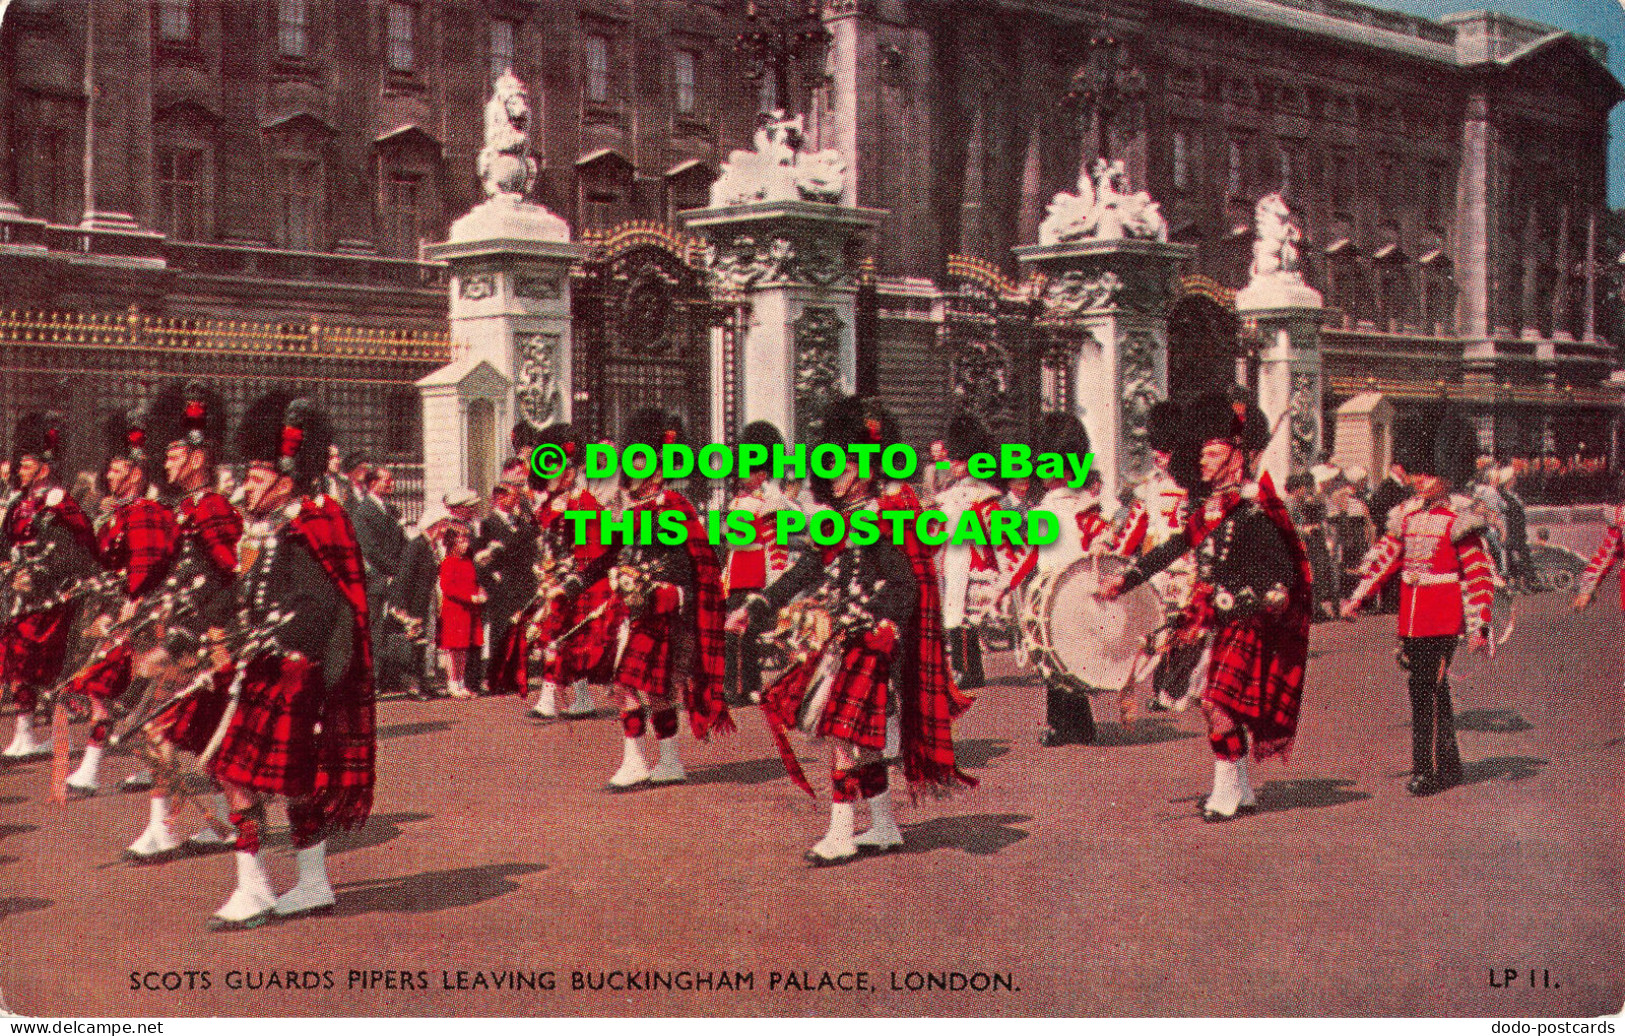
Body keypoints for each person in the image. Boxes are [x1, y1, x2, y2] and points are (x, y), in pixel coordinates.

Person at [729, 395, 976, 864]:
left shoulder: (883, 514)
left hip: (872, 637)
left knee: (843, 734)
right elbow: (804, 571)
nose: (840, 476)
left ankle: (841, 833)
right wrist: (758, 605)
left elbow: (905, 583)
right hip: (843, 636)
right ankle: (883, 826)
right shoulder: (839, 520)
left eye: (849, 466)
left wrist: (885, 626)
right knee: (860, 739)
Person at [204, 393, 375, 930]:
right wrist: (211, 627)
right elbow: (244, 591)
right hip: (265, 665)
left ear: (285, 477)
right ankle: (312, 882)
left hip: (297, 668)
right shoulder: (266, 525)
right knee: (288, 778)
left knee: (238, 769)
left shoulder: (317, 519)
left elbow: (321, 602)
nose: (245, 486)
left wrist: (269, 640)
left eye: (257, 476)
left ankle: (255, 887)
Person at [1101, 393, 1312, 822]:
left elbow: (1283, 577)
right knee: (1209, 704)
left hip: (1245, 618)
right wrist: (1127, 579)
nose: (1202, 460)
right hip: (1209, 614)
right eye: (1202, 451)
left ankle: (1225, 791)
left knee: (1217, 701)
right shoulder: (1210, 508)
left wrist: (1249, 599)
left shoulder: (1258, 508)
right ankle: (1239, 787)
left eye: (1213, 453)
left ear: (1236, 458)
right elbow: (1176, 546)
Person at [558, 408, 730, 790]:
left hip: (666, 612)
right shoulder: (630, 511)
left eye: (642, 463)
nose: (634, 470)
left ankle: (645, 761)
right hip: (634, 610)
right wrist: (573, 583)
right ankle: (663, 761)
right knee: (641, 688)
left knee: (637, 687)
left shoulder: (676, 507)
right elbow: (606, 556)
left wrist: (667, 590)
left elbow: (698, 564)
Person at [1342, 405, 1495, 797]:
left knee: (1425, 689)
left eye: (1428, 472)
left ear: (1447, 474)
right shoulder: (1405, 515)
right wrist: (1358, 597)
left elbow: (1477, 576)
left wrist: (1479, 626)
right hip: (1412, 618)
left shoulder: (1460, 517)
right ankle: (1450, 762)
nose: (1420, 480)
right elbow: (1384, 559)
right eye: (1418, 471)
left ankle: (1425, 769)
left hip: (1444, 617)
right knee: (1429, 690)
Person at [123, 381, 241, 860]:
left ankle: (165, 827)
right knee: (203, 736)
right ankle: (214, 822)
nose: (165, 462)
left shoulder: (210, 507)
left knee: (163, 729)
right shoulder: (189, 507)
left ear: (196, 457)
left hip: (208, 642)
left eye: (173, 453)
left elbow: (234, 577)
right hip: (189, 637)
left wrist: (198, 635)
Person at [61, 409, 181, 797]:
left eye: (117, 470)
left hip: (141, 620)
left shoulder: (143, 511)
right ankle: (127, 767)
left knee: (116, 693)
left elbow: (145, 566)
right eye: (110, 469)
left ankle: (94, 770)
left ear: (136, 474)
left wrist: (128, 606)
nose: (109, 476)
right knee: (119, 696)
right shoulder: (120, 512)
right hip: (118, 614)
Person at [494, 423, 618, 719]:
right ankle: (583, 698)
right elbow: (537, 536)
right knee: (561, 639)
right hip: (552, 577)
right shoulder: (550, 503)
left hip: (576, 581)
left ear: (571, 472)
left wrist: (575, 576)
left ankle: (549, 700)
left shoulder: (584, 503)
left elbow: (596, 545)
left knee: (557, 637)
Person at [1001, 413, 1109, 746]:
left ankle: (1072, 723)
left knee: (1071, 656)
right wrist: (1007, 584)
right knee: (1052, 658)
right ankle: (1064, 723)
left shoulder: (1085, 507)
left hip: (1077, 587)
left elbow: (1099, 540)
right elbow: (1032, 554)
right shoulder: (1041, 510)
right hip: (1048, 590)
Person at [1, 412, 100, 760]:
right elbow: (4, 545)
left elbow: (81, 548)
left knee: (36, 664)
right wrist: (10, 572)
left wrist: (43, 576)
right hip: (20, 592)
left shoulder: (59, 502)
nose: (19, 471)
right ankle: (24, 732)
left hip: (52, 596)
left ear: (43, 468)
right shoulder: (17, 503)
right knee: (15, 661)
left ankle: (51, 734)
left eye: (26, 466)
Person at [1112, 401, 1201, 712]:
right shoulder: (1151, 485)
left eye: (1164, 448)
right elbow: (1136, 525)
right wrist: (1116, 558)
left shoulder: (1195, 483)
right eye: (1156, 448)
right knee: (1157, 629)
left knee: (1186, 631)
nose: (1157, 455)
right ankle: (1163, 687)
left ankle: (1174, 690)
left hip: (1189, 567)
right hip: (1159, 567)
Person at [721, 420, 796, 707]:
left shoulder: (771, 501)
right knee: (731, 634)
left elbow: (776, 545)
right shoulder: (738, 500)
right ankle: (733, 687)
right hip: (737, 573)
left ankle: (747, 686)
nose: (739, 474)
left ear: (761, 472)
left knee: (747, 634)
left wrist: (773, 582)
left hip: (756, 575)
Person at [933, 415, 1002, 689]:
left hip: (974, 558)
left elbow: (995, 532)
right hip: (953, 558)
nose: (953, 464)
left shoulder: (985, 495)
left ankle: (968, 669)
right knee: (953, 611)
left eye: (959, 459)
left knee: (966, 615)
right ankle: (966, 668)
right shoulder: (949, 493)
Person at [436, 524, 484, 699]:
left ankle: (461, 681)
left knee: (463, 648)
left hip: (469, 611)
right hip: (455, 610)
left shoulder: (468, 561)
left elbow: (474, 582)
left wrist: (479, 592)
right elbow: (447, 588)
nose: (465, 545)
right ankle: (452, 682)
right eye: (461, 541)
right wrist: (469, 597)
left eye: (466, 541)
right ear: (452, 544)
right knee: (452, 648)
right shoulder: (448, 562)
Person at [1367, 461, 1411, 614]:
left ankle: (1396, 601)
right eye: (1401, 466)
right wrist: (1387, 526)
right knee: (1388, 566)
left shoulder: (1404, 486)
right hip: (1390, 532)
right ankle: (1388, 602)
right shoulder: (1387, 486)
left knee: (1399, 566)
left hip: (1402, 533)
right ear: (1394, 467)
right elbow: (1376, 510)